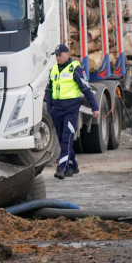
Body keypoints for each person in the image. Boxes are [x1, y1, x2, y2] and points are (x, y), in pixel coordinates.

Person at [44, 44, 98, 179]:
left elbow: (86, 89)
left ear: (67, 54)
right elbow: (49, 90)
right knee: (63, 140)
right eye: (56, 55)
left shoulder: (76, 69)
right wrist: (49, 108)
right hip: (56, 111)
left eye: (60, 55)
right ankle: (73, 166)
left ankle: (61, 168)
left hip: (70, 110)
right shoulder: (54, 70)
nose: (57, 57)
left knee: (67, 139)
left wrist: (94, 107)